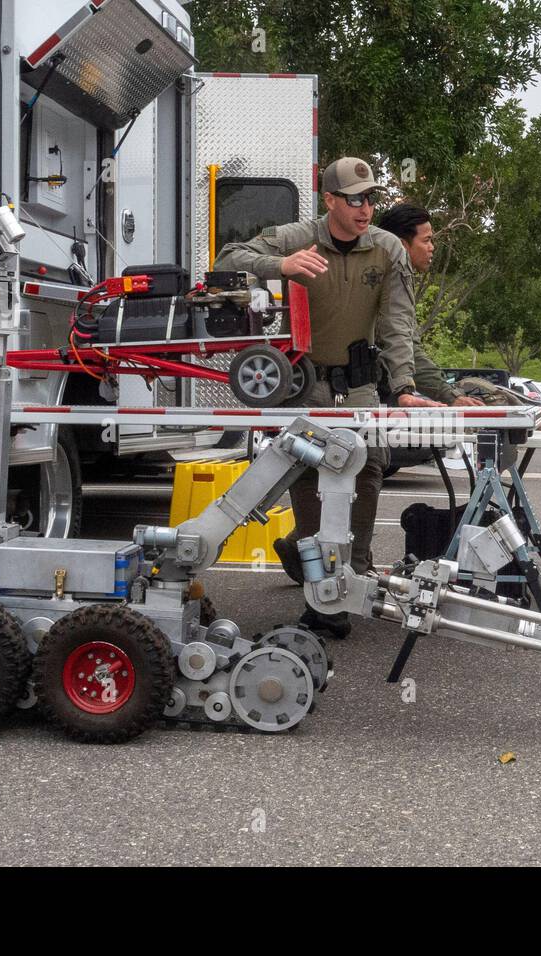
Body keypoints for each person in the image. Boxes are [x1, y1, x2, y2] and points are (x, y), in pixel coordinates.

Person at [214, 156, 443, 638]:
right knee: (309, 468)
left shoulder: (386, 250)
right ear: (331, 200)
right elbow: (227, 259)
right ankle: (321, 588)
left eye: (372, 198)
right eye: (355, 199)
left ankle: (351, 573)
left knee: (368, 467)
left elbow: (398, 323)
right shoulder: (298, 237)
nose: (366, 209)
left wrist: (402, 387)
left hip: (359, 380)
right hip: (307, 380)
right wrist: (279, 264)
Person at [374, 203, 485, 408]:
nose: (432, 247)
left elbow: (410, 351)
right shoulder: (384, 285)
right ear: (400, 245)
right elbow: (407, 350)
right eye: (426, 240)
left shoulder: (390, 278)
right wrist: (450, 395)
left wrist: (450, 394)